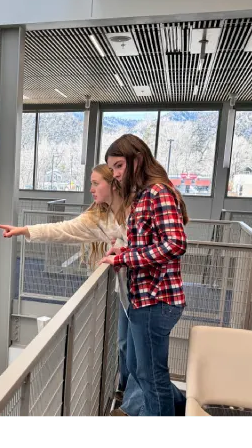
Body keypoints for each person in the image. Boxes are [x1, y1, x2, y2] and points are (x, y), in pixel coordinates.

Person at [0, 164, 143, 417]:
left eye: (96, 183)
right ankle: (132, 400)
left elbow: (148, 243)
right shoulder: (101, 217)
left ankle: (142, 407)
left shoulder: (133, 212)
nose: (91, 188)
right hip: (129, 293)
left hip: (146, 296)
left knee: (146, 365)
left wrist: (120, 246)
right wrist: (25, 231)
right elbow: (65, 229)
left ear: (113, 184)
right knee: (127, 348)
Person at [100, 134, 188, 421]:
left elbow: (175, 244)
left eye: (119, 166)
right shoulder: (144, 195)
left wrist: (124, 258)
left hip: (156, 300)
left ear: (137, 160)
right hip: (146, 298)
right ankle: (185, 410)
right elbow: (149, 243)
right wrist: (123, 250)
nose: (114, 174)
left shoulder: (157, 192)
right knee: (145, 373)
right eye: (112, 168)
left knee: (151, 378)